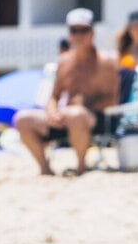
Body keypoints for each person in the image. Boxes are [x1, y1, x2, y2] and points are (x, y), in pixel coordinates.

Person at [15, 9, 118, 175]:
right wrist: (52, 112)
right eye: (74, 30)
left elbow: (112, 99)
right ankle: (45, 168)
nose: (78, 35)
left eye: (83, 30)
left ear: (92, 33)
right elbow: (54, 96)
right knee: (22, 119)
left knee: (76, 115)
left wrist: (82, 106)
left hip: (95, 118)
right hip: (66, 116)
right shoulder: (64, 61)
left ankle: (81, 167)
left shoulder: (106, 61)